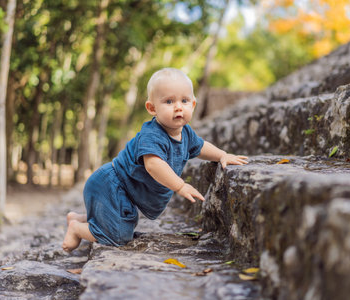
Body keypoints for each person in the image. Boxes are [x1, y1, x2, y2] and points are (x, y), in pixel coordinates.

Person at [62, 67, 248, 252]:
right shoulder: (152, 135)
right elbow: (153, 165)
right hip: (110, 184)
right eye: (169, 101)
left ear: (193, 104)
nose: (178, 107)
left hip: (122, 190)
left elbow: (200, 147)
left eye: (184, 101)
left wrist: (223, 155)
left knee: (122, 222)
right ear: (152, 108)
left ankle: (80, 218)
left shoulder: (186, 133)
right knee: (118, 236)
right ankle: (77, 229)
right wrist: (180, 186)